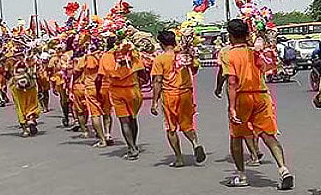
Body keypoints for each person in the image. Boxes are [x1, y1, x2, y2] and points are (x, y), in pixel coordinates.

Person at [223, 19, 293, 189]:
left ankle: (241, 175)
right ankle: (283, 169)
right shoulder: (256, 52)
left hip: (242, 97)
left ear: (230, 36)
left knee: (236, 136)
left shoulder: (228, 55)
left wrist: (232, 107)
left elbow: (232, 82)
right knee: (268, 135)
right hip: (262, 95)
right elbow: (267, 67)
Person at [150, 30, 205, 167]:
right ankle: (195, 143)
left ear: (162, 44)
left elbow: (157, 81)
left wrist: (154, 102)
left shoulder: (159, 59)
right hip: (186, 93)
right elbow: (194, 70)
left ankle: (179, 158)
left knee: (171, 128)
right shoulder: (184, 56)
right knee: (187, 125)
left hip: (169, 95)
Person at [215, 39, 264, 166]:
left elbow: (224, 74)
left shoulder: (226, 52)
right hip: (258, 92)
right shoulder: (254, 51)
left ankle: (254, 155)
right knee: (256, 124)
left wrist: (218, 87)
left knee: (242, 125)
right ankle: (258, 151)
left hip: (239, 94)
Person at [100, 37, 144, 160]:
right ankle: (133, 144)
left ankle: (132, 148)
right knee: (133, 118)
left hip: (117, 90)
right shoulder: (133, 55)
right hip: (133, 90)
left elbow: (101, 75)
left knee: (124, 121)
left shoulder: (106, 57)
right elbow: (142, 73)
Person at [83, 45, 114, 147]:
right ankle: (108, 134)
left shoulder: (87, 58)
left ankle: (102, 140)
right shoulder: (107, 56)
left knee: (95, 114)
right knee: (107, 112)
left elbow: (76, 71)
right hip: (105, 86)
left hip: (92, 87)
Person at [8, 61, 42, 137]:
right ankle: (28, 123)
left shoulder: (26, 72)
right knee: (25, 108)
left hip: (27, 92)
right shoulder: (18, 74)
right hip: (21, 93)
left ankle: (28, 125)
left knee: (27, 108)